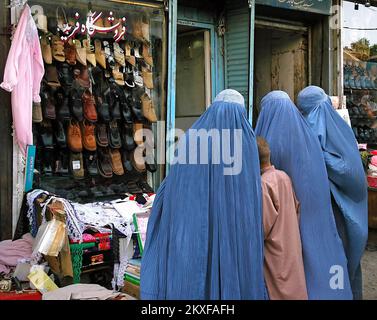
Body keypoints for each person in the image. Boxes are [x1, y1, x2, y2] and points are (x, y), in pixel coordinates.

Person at [140, 89, 266, 300]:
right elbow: (251, 199)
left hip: (193, 236)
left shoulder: (192, 139)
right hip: (236, 238)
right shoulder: (247, 143)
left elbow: (172, 188)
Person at [255, 90, 353, 300]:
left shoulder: (269, 141)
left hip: (284, 219)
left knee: (290, 267)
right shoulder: (308, 136)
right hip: (312, 212)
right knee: (319, 261)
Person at [297, 86, 368, 300]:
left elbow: (352, 174)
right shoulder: (300, 135)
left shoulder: (340, 132)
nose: (308, 119)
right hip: (317, 218)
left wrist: (320, 157)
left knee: (342, 262)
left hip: (341, 215)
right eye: (303, 113)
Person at [257, 136, 308, 300]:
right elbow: (296, 207)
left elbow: (261, 228)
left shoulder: (263, 184)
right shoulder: (283, 176)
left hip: (275, 253)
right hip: (290, 248)